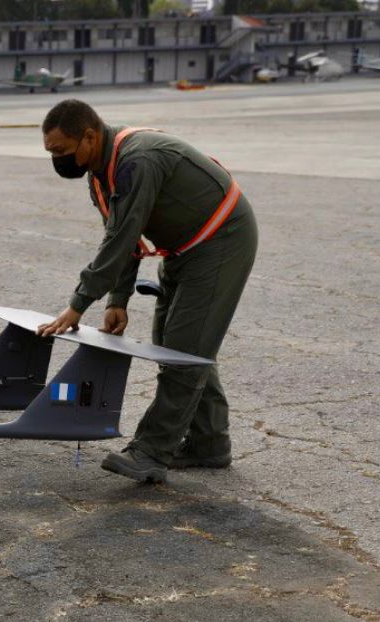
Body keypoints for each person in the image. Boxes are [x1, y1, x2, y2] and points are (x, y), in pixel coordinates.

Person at [37, 99, 257, 483]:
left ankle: (151, 451)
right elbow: (122, 234)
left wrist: (78, 305)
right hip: (185, 249)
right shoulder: (101, 172)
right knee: (175, 344)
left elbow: (120, 240)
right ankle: (209, 444)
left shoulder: (136, 161)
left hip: (222, 241)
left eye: (61, 150)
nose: (57, 160)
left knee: (184, 350)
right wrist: (117, 300)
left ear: (89, 136)